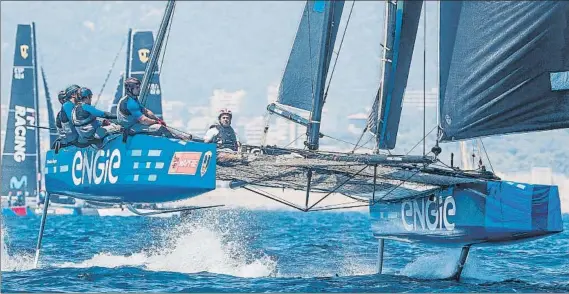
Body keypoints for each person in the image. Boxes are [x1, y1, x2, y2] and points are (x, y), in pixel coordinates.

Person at [116, 77, 191, 140]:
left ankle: (182, 136)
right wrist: (156, 122)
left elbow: (146, 111)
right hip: (130, 128)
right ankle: (175, 142)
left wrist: (158, 120)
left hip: (136, 124)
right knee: (159, 127)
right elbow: (144, 120)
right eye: (137, 88)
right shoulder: (130, 103)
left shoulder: (134, 99)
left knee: (162, 125)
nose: (139, 89)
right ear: (130, 89)